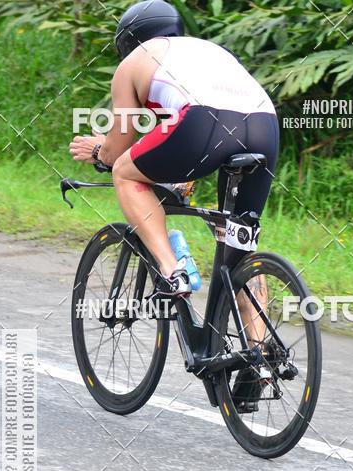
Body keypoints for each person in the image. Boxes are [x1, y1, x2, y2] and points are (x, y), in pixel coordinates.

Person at [69, 0, 279, 410]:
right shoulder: (208, 51)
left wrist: (98, 150)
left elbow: (121, 147)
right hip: (264, 125)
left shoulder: (133, 62)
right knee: (238, 244)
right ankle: (259, 356)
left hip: (202, 121)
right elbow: (191, 128)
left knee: (126, 174)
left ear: (127, 40)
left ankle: (172, 272)